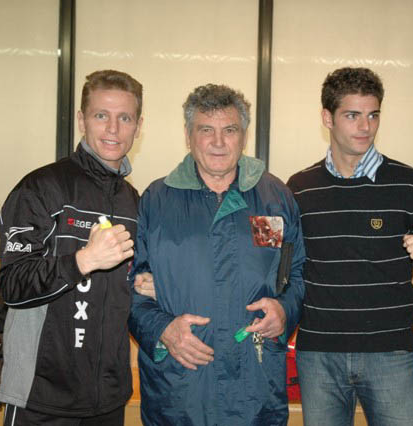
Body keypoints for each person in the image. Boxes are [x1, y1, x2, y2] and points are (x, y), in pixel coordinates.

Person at [286, 67, 413, 426]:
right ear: (327, 118)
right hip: (319, 355)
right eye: (352, 115)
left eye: (373, 115)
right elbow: (285, 268)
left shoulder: (412, 185)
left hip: (390, 354)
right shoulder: (300, 188)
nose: (365, 127)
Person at [129, 84, 305, 426]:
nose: (219, 142)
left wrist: (285, 310)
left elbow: (296, 274)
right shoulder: (157, 201)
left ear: (244, 136)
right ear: (188, 136)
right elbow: (127, 286)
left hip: (256, 388)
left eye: (230, 130)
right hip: (180, 392)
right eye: (206, 130)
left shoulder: (275, 198)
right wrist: (162, 328)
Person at [0, 69, 143, 426]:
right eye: (101, 115)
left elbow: (121, 291)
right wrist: (83, 261)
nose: (113, 129)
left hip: (107, 398)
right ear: (81, 120)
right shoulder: (41, 187)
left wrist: (142, 283)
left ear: (138, 127)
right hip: (42, 397)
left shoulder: (133, 201)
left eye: (125, 118)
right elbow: (12, 285)